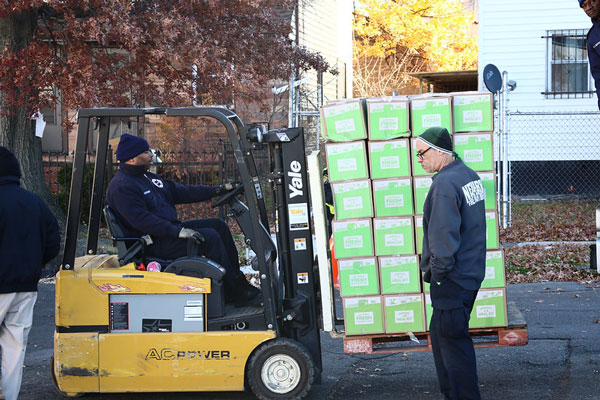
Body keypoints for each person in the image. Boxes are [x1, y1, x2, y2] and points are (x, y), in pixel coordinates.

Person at [106, 133, 261, 306]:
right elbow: (143, 221)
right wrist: (178, 231)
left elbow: (182, 191)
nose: (151, 155)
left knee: (218, 225)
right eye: (146, 152)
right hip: (152, 244)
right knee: (210, 237)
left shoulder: (147, 178)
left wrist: (218, 190)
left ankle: (236, 284)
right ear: (132, 159)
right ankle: (236, 292)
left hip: (167, 233)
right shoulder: (122, 186)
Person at [415, 127, 486, 400]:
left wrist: (440, 276)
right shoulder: (468, 175)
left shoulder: (444, 185)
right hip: (469, 275)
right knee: (443, 339)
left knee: (453, 348)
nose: (419, 160)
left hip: (452, 280)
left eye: (421, 154)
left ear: (440, 152)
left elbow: (443, 237)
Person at [0, 147, 60, 400]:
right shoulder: (34, 202)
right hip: (26, 284)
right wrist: (35, 265)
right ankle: (9, 395)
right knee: (15, 345)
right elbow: (53, 242)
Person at [581, 0, 600, 110]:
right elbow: (598, 75)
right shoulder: (592, 37)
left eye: (592, 1)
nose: (588, 8)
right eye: (584, 6)